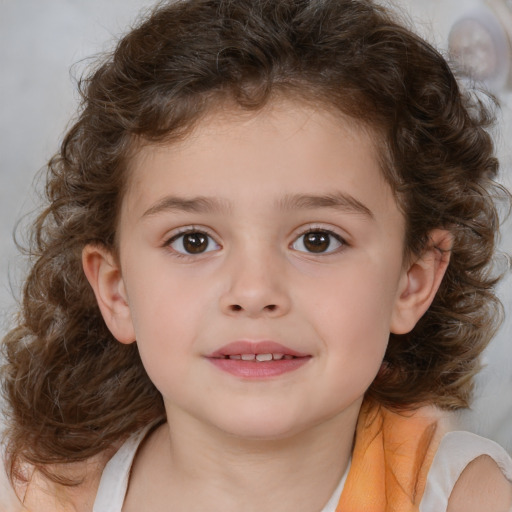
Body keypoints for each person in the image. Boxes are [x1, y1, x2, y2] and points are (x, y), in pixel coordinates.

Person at [1, 0, 512, 510]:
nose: (254, 291)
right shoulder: (35, 493)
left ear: (412, 281)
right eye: (193, 241)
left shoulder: (466, 497)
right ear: (117, 291)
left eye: (318, 240)